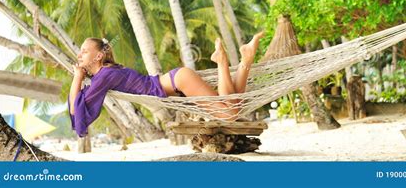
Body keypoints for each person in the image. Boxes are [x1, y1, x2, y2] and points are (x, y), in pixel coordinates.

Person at [68, 32, 264, 137]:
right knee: (233, 105)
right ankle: (246, 58)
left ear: (99, 56)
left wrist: (77, 77)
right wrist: (80, 75)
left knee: (230, 114)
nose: (79, 54)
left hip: (179, 81)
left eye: (84, 51)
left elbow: (78, 109)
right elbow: (80, 102)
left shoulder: (104, 75)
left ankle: (222, 61)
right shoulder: (105, 73)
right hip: (177, 80)